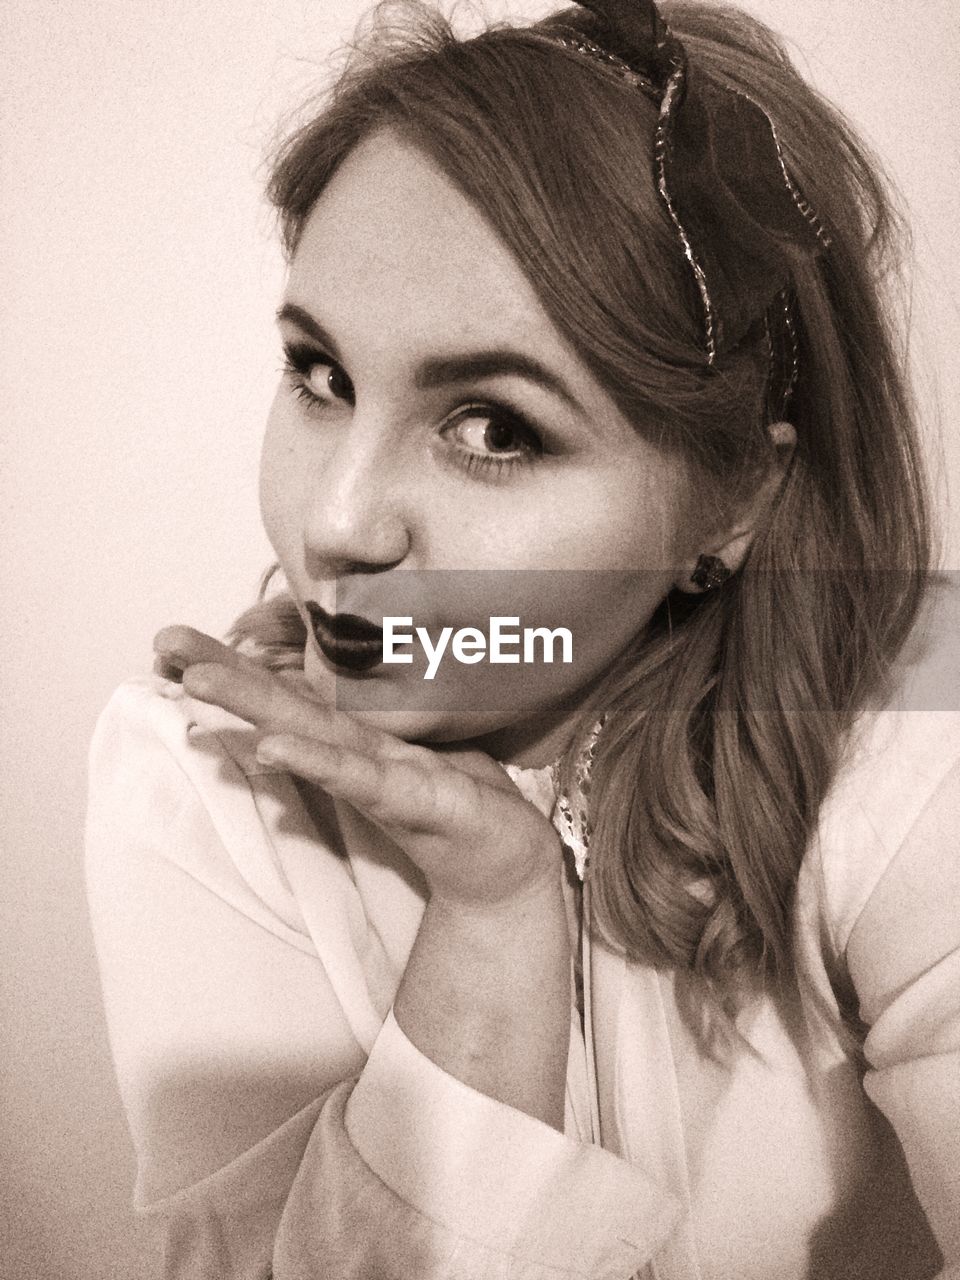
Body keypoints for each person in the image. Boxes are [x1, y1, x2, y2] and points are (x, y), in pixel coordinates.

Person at [84, 0, 960, 1276]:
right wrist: (489, 920)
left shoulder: (912, 722)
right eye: (320, 375)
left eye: (495, 427)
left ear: (737, 498)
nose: (337, 523)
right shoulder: (208, 775)